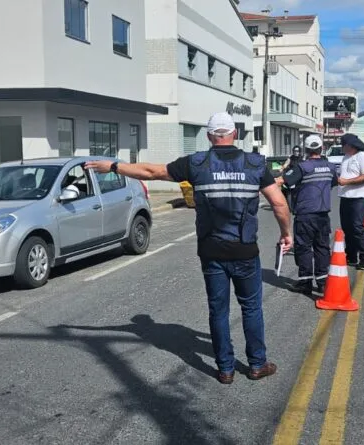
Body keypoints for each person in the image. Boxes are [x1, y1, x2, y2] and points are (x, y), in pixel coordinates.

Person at [85, 112, 292, 385]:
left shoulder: (196, 163)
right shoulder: (254, 164)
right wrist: (286, 233)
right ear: (235, 134)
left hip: (211, 251)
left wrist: (113, 166)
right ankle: (256, 364)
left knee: (218, 310)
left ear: (209, 136)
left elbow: (150, 171)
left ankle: (225, 369)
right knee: (251, 308)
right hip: (244, 251)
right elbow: (279, 204)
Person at [275, 135, 337, 294]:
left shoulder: (302, 167)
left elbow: (282, 181)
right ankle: (323, 282)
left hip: (305, 214)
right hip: (323, 214)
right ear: (321, 149)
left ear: (306, 150)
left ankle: (305, 282)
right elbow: (334, 182)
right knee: (322, 247)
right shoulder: (330, 167)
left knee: (304, 248)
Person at [337, 133, 364, 270]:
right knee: (347, 227)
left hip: (360, 196)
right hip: (346, 196)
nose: (342, 147)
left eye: (343, 145)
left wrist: (346, 181)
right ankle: (351, 256)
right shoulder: (346, 157)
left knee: (357, 226)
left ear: (350, 145)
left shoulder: (363, 156)